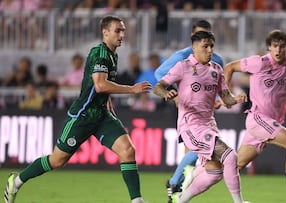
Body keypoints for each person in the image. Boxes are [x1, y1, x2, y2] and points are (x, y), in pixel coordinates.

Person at [3, 15, 151, 203]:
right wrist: (132, 89)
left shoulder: (113, 54)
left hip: (101, 116)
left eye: (123, 30)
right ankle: (16, 181)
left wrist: (110, 108)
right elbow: (100, 85)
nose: (122, 34)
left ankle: (136, 200)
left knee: (128, 150)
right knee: (57, 161)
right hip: (82, 116)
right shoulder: (100, 53)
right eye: (117, 30)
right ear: (105, 32)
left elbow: (102, 90)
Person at [224, 29, 286, 203]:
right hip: (258, 119)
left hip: (269, 122)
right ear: (269, 48)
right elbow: (230, 67)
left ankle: (198, 174)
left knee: (235, 165)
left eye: (282, 47)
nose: (278, 50)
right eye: (275, 46)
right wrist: (227, 96)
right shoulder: (259, 63)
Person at [154, 31, 248, 203]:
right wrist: (167, 93)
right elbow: (158, 86)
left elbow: (225, 97)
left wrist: (235, 99)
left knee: (215, 172)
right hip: (190, 125)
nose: (210, 50)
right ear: (194, 47)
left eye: (211, 46)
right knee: (231, 156)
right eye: (205, 46)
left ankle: (180, 199)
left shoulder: (216, 70)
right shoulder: (183, 66)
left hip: (209, 125)